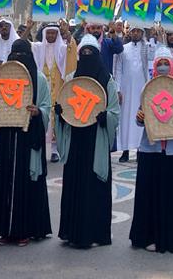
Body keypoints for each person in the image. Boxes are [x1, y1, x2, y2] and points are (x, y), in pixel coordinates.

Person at [54, 35, 121, 248]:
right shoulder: (71, 78)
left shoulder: (107, 80)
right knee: (74, 184)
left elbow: (115, 112)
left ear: (97, 55)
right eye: (83, 52)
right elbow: (64, 103)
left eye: (91, 52)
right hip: (75, 138)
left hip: (96, 139)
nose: (87, 56)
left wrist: (105, 117)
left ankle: (95, 233)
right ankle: (71, 232)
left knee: (94, 186)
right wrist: (60, 113)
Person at [0, 39, 52, 245]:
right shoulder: (2, 77)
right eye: (15, 55)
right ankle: (4, 229)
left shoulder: (39, 79)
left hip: (27, 139)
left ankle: (25, 229)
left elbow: (46, 107)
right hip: (6, 137)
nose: (19, 59)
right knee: (4, 180)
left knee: (25, 183)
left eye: (23, 55)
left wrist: (37, 112)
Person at [129, 52, 173, 253]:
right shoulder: (148, 89)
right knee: (149, 196)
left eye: (167, 63)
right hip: (151, 150)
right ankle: (148, 236)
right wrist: (140, 117)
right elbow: (140, 120)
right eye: (160, 63)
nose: (163, 67)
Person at [21, 20, 77, 163]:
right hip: (41, 86)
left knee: (56, 115)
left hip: (58, 86)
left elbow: (72, 47)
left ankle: (54, 151)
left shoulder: (62, 48)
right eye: (49, 33)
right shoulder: (38, 47)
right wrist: (28, 28)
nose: (51, 35)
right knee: (40, 113)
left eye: (53, 33)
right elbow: (23, 44)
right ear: (44, 33)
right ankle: (38, 147)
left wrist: (67, 32)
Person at [115, 26, 155, 163]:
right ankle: (125, 151)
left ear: (142, 33)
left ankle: (140, 150)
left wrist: (152, 38)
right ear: (130, 33)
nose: (136, 33)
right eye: (133, 31)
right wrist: (118, 89)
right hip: (126, 89)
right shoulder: (123, 49)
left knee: (141, 117)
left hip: (142, 88)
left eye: (138, 31)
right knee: (125, 119)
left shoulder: (147, 47)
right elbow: (118, 70)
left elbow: (153, 56)